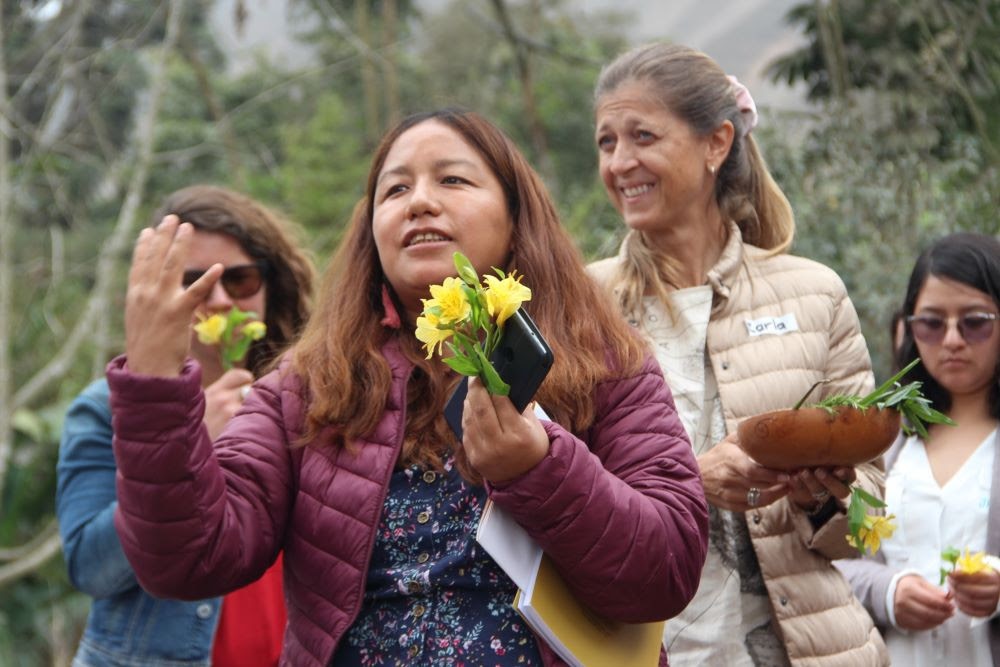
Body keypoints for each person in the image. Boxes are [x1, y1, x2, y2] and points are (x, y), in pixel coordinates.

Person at [103, 109, 709, 666]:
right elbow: (187, 560)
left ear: (515, 212)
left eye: (452, 181)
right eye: (395, 189)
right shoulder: (308, 386)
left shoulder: (607, 363)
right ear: (372, 232)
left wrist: (540, 469)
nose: (419, 201)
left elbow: (667, 573)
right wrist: (155, 383)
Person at [586, 43, 888, 665]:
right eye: (606, 142)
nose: (620, 163)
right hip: (647, 648)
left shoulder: (814, 292)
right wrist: (690, 481)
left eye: (642, 135)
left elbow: (871, 521)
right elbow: (553, 490)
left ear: (716, 143)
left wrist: (819, 496)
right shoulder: (582, 304)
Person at [56, 185, 315, 666]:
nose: (216, 300)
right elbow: (90, 569)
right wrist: (181, 448)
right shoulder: (105, 409)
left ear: (270, 286)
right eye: (192, 282)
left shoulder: (313, 400)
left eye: (238, 280)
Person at [837, 232, 1000, 666]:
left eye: (975, 321)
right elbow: (829, 564)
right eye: (931, 322)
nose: (951, 339)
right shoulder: (882, 438)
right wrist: (889, 592)